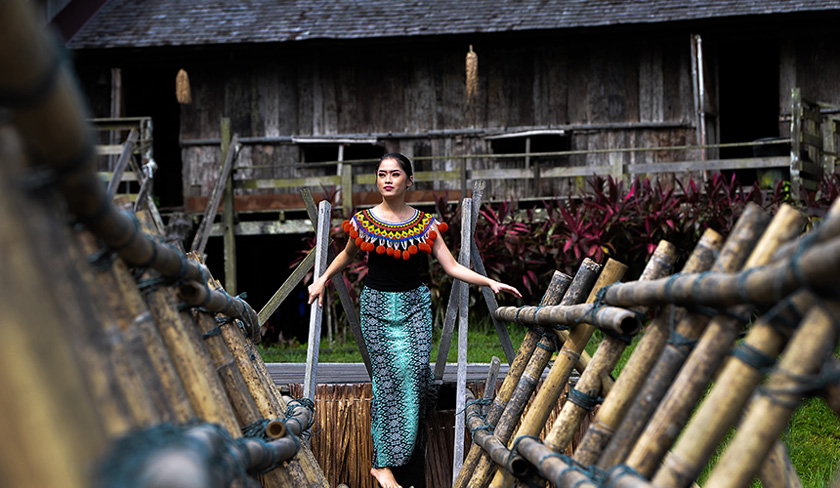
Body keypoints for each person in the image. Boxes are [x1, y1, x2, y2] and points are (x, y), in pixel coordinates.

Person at [308, 152, 521, 488]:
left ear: (409, 180)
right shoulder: (363, 221)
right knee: (391, 378)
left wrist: (489, 282)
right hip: (377, 308)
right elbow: (348, 255)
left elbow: (451, 267)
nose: (387, 180)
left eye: (394, 174)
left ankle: (404, 460)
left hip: (414, 308)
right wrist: (321, 278)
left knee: (419, 379)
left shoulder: (426, 225)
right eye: (381, 174)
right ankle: (382, 465)